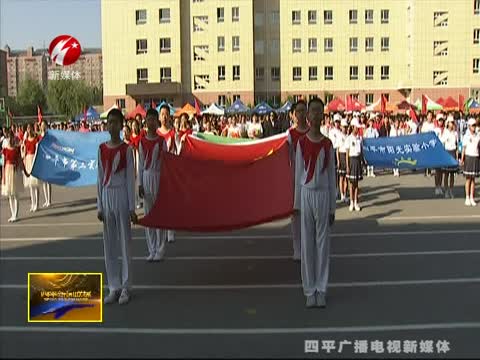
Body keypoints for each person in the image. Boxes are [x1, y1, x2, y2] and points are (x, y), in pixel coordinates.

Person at [294, 98, 335, 308]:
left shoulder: (328, 144)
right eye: (313, 112)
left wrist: (332, 209)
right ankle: (309, 289)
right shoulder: (301, 143)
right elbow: (297, 176)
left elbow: (332, 177)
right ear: (308, 116)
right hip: (307, 194)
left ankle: (321, 288)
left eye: (320, 111)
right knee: (307, 245)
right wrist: (296, 205)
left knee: (322, 245)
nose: (316, 115)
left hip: (323, 195)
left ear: (322, 116)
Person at [97, 109, 137, 305]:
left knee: (124, 242)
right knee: (109, 244)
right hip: (106, 195)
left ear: (122, 126)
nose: (111, 125)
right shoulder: (102, 149)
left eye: (115, 122)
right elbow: (98, 178)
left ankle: (126, 286)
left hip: (121, 194)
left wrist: (132, 207)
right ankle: (113, 286)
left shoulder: (127, 149)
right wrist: (99, 205)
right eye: (109, 122)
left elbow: (131, 179)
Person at [138, 109, 168, 262]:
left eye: (153, 120)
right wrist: (140, 184)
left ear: (157, 122)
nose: (150, 122)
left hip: (158, 177)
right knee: (149, 216)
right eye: (148, 119)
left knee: (159, 215)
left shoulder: (162, 142)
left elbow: (165, 164)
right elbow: (140, 165)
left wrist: (164, 182)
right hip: (146, 177)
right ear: (146, 121)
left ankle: (161, 249)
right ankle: (152, 249)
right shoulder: (142, 142)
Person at [287, 100, 309, 262]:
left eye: (303, 111)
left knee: (308, 213)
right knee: (296, 214)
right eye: (298, 111)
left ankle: (308, 246)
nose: (301, 114)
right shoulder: (290, 134)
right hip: (295, 177)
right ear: (293, 115)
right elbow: (285, 157)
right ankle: (297, 248)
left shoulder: (312, 132)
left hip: (310, 177)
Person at [2, 130, 28, 222]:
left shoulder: (17, 149)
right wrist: (3, 176)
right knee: (10, 194)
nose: (10, 139)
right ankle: (12, 214)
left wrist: (25, 172)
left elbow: (21, 162)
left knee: (15, 194)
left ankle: (15, 215)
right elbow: (3, 163)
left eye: (11, 137)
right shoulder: (4, 150)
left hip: (15, 172)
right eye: (8, 137)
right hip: (8, 171)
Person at [460, 118, 480, 206]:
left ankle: (472, 197)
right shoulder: (466, 136)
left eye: (475, 125)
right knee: (468, 179)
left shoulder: (478, 135)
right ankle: (467, 197)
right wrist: (462, 159)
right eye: (472, 125)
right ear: (469, 126)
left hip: (476, 157)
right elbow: (463, 149)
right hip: (468, 157)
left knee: (473, 179)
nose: (474, 127)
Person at [346, 118, 364, 211]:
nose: (358, 129)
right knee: (351, 183)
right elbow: (347, 152)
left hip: (357, 160)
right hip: (351, 160)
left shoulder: (359, 138)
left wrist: (362, 162)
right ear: (353, 127)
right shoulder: (349, 138)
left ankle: (356, 202)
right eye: (356, 127)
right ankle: (351, 202)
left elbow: (361, 152)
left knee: (356, 184)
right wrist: (348, 165)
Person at [23, 123, 40, 212]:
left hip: (34, 159)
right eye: (27, 128)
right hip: (28, 160)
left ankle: (36, 204)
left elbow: (37, 150)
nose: (29, 129)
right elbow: (24, 151)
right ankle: (32, 203)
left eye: (30, 128)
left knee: (35, 184)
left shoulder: (35, 139)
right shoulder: (26, 140)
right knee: (30, 185)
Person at [441, 116, 458, 199]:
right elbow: (442, 142)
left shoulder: (455, 133)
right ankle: (446, 190)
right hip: (447, 152)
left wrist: (457, 157)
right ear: (448, 123)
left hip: (453, 152)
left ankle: (451, 190)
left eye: (453, 122)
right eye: (451, 122)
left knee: (452, 174)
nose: (452, 124)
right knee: (446, 174)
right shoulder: (445, 132)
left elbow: (457, 145)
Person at [39, 121, 52, 208]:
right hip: (42, 158)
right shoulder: (39, 135)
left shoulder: (49, 135)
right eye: (42, 125)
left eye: (44, 125)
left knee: (48, 181)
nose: (43, 126)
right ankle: (46, 199)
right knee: (43, 181)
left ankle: (49, 200)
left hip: (48, 157)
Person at [337, 119, 349, 203]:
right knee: (341, 177)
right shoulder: (339, 136)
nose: (344, 128)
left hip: (346, 156)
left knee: (346, 178)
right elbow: (337, 149)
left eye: (346, 127)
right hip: (341, 155)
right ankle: (341, 194)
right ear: (341, 127)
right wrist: (338, 160)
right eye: (343, 127)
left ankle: (345, 194)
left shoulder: (348, 136)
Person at [434, 114, 446, 196]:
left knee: (441, 171)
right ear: (437, 121)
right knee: (437, 171)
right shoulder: (435, 130)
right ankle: (436, 187)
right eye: (439, 120)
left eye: (441, 120)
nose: (440, 122)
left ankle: (440, 186)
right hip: (436, 152)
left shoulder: (445, 130)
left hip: (443, 151)